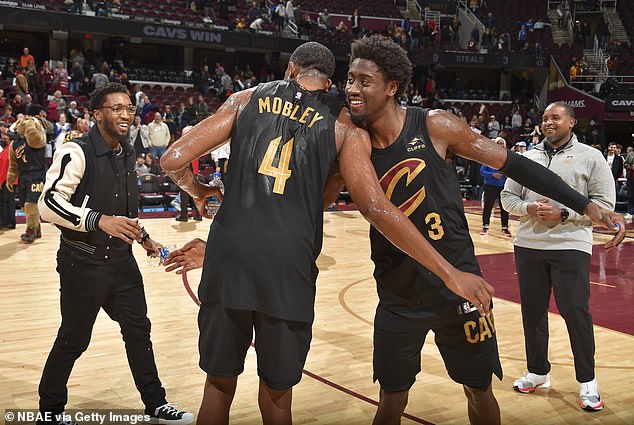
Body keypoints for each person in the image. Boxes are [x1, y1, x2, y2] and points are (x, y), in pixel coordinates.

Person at [160, 41, 500, 425]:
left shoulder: (245, 99)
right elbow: (371, 205)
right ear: (330, 82)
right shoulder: (345, 126)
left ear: (291, 70)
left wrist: (200, 192)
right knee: (277, 394)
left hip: (229, 257)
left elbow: (172, 159)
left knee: (218, 386)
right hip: (289, 266)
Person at [341, 35, 624, 425]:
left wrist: (587, 205)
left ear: (392, 87)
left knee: (479, 390)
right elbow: (372, 209)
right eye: (349, 79)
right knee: (391, 398)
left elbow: (517, 166)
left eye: (362, 81)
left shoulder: (436, 125)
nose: (351, 89)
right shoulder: (352, 140)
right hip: (398, 292)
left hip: (460, 289)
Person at [36, 83, 194, 425]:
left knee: (139, 333)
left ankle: (156, 404)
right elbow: (47, 204)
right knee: (73, 340)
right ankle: (49, 412)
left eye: (129, 109)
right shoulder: (75, 152)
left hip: (122, 264)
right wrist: (97, 220)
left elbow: (122, 212)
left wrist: (145, 238)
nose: (125, 114)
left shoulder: (125, 152)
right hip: (83, 264)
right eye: (116, 108)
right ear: (97, 114)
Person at [501, 102, 616, 412]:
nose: (548, 122)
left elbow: (604, 205)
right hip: (528, 245)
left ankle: (588, 382)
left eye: (555, 117)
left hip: (570, 246)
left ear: (572, 122)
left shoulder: (591, 158)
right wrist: (529, 209)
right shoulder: (525, 157)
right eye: (545, 118)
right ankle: (538, 371)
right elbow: (507, 197)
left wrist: (563, 214)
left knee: (576, 312)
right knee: (533, 313)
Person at [480, 137, 511, 237]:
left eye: (502, 143)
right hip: (490, 185)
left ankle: (505, 227)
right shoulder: (488, 156)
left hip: (503, 186)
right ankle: (485, 226)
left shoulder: (507, 157)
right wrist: (493, 174)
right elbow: (482, 171)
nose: (500, 145)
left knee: (504, 207)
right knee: (488, 207)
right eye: (498, 143)